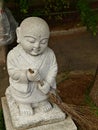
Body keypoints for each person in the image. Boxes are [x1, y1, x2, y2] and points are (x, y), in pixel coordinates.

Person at [6, 17, 58, 116]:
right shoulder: (14, 55)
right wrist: (26, 75)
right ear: (19, 35)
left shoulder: (49, 53)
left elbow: (53, 68)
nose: (37, 46)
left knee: (44, 95)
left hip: (42, 89)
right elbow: (12, 72)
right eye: (31, 41)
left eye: (43, 42)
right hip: (24, 90)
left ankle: (42, 102)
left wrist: (48, 82)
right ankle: (24, 104)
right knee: (23, 96)